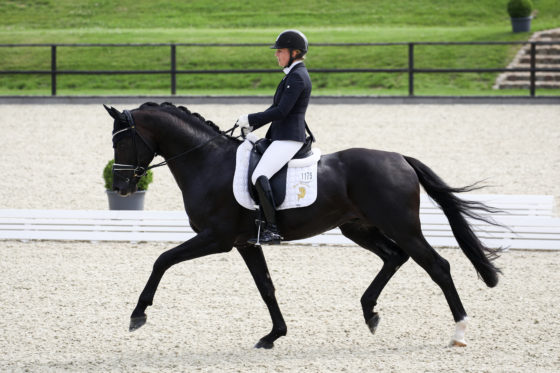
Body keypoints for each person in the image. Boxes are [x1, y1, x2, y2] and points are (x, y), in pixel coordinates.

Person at [237, 29, 313, 245]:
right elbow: (275, 107)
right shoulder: (292, 75)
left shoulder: (297, 77)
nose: (276, 55)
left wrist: (250, 117)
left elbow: (281, 112)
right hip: (281, 135)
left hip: (289, 138)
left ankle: (272, 229)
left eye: (280, 51)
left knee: (259, 175)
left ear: (295, 52)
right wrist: (252, 123)